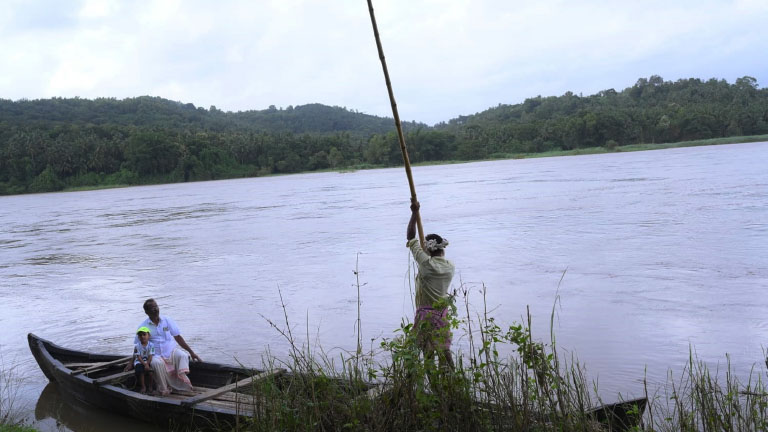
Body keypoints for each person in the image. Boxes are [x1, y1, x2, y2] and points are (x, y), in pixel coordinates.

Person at [406, 199, 456, 371]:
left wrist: (414, 213)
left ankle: (435, 387)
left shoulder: (426, 264)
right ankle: (453, 380)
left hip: (426, 317)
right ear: (442, 249)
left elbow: (410, 237)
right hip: (442, 314)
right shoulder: (450, 266)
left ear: (428, 249)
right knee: (444, 350)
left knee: (428, 354)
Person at [135, 298, 201, 395]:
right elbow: (138, 345)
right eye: (152, 308)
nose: (155, 309)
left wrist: (192, 352)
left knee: (183, 356)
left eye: (156, 306)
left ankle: (181, 384)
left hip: (171, 352)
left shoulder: (167, 320)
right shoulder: (144, 326)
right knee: (156, 363)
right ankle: (163, 389)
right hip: (156, 355)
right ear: (146, 312)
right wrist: (131, 361)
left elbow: (178, 337)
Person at [131, 326, 155, 393]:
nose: (142, 336)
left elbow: (150, 355)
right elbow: (138, 357)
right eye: (140, 335)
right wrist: (145, 364)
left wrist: (147, 364)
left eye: (144, 334)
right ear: (138, 337)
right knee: (141, 372)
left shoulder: (151, 345)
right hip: (139, 362)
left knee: (151, 372)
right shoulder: (137, 346)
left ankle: (150, 386)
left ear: (148, 335)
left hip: (147, 361)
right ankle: (143, 386)